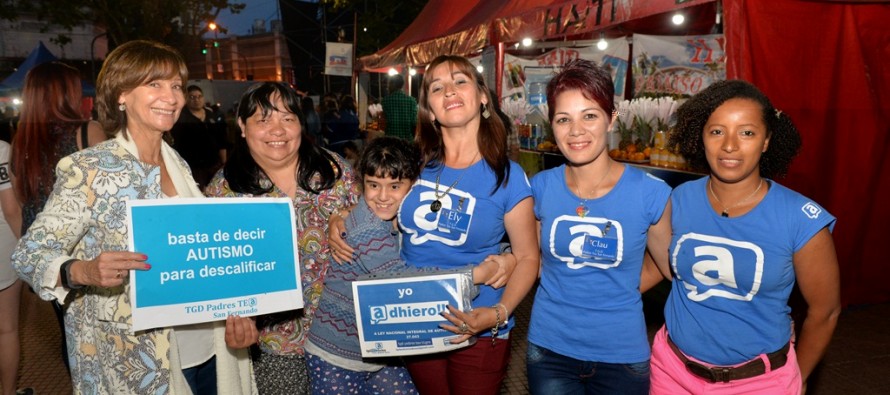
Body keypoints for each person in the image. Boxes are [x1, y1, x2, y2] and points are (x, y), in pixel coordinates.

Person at [11, 40, 257, 394]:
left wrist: (238, 306)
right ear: (121, 95)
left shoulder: (179, 163)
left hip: (210, 346)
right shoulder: (90, 169)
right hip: (140, 358)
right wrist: (82, 270)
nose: (171, 96)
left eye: (176, 85)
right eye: (154, 84)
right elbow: (29, 253)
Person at [329, 54, 540, 395]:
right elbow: (378, 203)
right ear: (429, 107)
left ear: (483, 96)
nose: (450, 91)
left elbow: (529, 256)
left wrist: (497, 313)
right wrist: (339, 217)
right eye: (437, 87)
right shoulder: (416, 162)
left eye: (460, 81)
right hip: (413, 316)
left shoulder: (508, 175)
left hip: (480, 322)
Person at [649, 80, 840, 394]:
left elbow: (825, 311)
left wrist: (795, 379)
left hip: (759, 383)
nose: (729, 146)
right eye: (717, 131)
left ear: (766, 141)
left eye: (747, 132)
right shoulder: (679, 199)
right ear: (701, 136)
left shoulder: (800, 219)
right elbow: (659, 264)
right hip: (671, 373)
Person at [305, 136, 516, 394]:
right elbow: (398, 278)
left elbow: (450, 242)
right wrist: (476, 275)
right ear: (362, 185)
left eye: (394, 186)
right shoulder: (364, 226)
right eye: (373, 185)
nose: (382, 196)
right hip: (337, 354)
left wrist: (506, 253)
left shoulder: (401, 220)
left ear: (413, 187)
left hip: (383, 352)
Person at [523, 59, 671, 394]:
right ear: (552, 125)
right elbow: (532, 260)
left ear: (611, 119)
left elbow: (665, 266)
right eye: (564, 119)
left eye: (589, 115)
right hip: (550, 349)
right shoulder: (541, 187)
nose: (576, 131)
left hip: (622, 354)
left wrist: (618, 290)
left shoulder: (651, 193)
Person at [205, 81, 361, 394]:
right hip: (274, 345)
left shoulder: (334, 170)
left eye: (288, 118)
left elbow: (372, 227)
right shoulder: (224, 189)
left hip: (344, 336)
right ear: (242, 126)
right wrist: (231, 320)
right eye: (263, 120)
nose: (278, 130)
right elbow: (215, 272)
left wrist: (345, 216)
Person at [10, 60, 107, 375]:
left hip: (49, 260)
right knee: (102, 337)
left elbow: (21, 205)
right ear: (67, 93)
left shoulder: (19, 144)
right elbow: (111, 193)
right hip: (87, 253)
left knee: (71, 336)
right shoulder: (87, 131)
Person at [0, 139, 30, 395]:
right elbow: (10, 208)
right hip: (2, 247)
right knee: (6, 329)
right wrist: (30, 252)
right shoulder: (1, 150)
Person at [169, 85, 229, 189]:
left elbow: (221, 140)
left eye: (199, 96)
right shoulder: (181, 118)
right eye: (192, 97)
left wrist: (224, 162)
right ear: (186, 99)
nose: (196, 100)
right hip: (193, 167)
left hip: (214, 164)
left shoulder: (212, 115)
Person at [381, 74, 417, 140]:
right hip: (407, 140)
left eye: (389, 84)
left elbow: (384, 121)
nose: (387, 87)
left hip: (391, 140)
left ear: (393, 84)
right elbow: (414, 123)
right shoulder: (412, 101)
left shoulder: (385, 101)